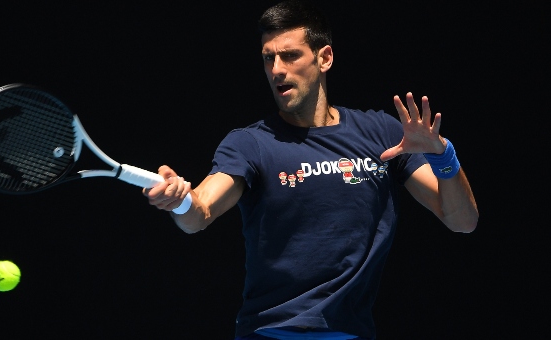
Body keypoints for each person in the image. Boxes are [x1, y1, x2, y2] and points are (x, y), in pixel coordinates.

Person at [143, 0, 479, 339]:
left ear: (325, 58)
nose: (276, 69)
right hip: (270, 332)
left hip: (352, 332)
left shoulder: (383, 135)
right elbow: (200, 211)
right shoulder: (249, 144)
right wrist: (180, 201)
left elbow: (462, 221)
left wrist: (442, 154)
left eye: (289, 56)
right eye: (267, 58)